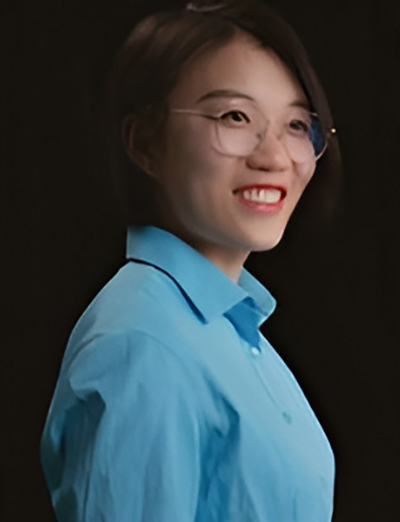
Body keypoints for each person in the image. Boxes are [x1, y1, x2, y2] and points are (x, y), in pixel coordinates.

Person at [41, 1, 341, 521]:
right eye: (234, 117)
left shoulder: (232, 332)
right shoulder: (142, 344)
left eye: (296, 124)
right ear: (145, 142)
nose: (274, 157)